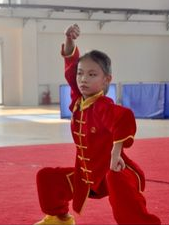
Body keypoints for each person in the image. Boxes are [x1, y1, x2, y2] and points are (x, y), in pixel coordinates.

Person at [34, 24, 161, 225]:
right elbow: (70, 67)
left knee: (117, 181)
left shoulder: (102, 105)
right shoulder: (78, 99)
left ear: (106, 80)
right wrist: (70, 41)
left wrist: (116, 154)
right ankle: (60, 219)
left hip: (113, 172)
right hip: (86, 179)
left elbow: (123, 117)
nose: (83, 79)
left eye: (92, 75)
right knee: (47, 177)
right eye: (81, 74)